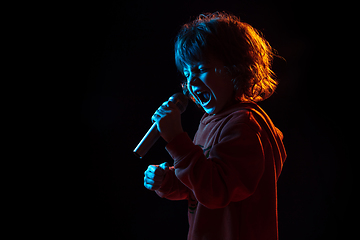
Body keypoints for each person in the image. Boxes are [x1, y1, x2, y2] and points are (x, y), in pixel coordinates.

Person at [144, 11, 287, 240]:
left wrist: (176, 140)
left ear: (236, 66)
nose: (191, 82)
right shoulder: (210, 121)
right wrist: (168, 180)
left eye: (200, 69)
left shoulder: (244, 124)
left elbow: (216, 190)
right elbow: (200, 183)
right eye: (187, 73)